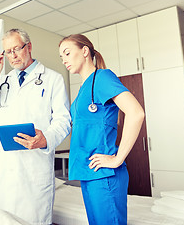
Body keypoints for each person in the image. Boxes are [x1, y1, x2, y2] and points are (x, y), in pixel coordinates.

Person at [0, 28, 71, 225]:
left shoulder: (52, 79)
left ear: (29, 47)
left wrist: (46, 139)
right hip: (6, 168)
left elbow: (63, 121)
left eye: (16, 49)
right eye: (8, 51)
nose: (12, 56)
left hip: (34, 168)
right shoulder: (2, 82)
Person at [59, 34, 145, 225]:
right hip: (88, 171)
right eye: (61, 57)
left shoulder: (102, 77)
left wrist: (117, 159)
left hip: (105, 173)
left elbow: (136, 113)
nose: (64, 59)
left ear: (84, 51)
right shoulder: (83, 88)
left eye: (67, 53)